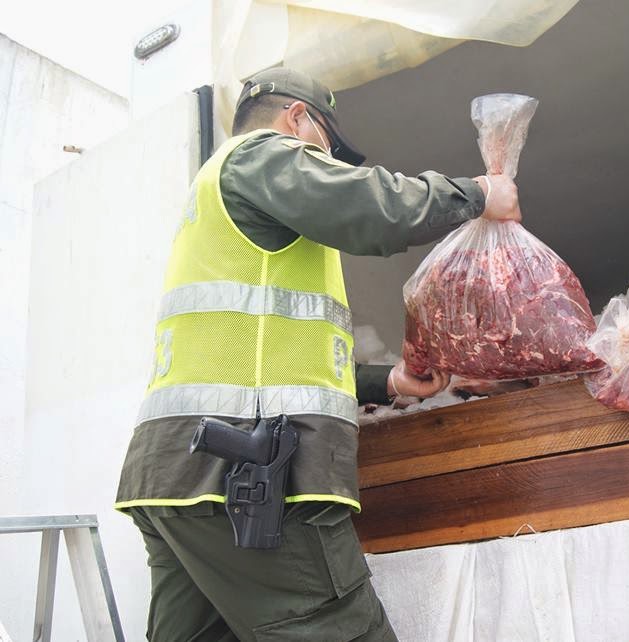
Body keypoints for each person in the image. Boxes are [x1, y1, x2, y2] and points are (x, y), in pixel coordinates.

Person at [114, 67, 521, 641]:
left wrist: (390, 383)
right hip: (245, 475)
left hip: (174, 477)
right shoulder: (261, 156)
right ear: (298, 119)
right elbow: (375, 208)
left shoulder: (220, 204)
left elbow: (275, 359)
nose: (329, 163)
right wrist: (477, 194)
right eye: (327, 147)